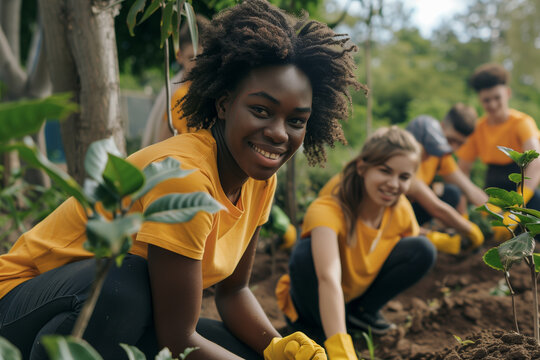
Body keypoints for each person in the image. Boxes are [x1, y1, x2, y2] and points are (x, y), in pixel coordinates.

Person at [0, 1, 363, 359]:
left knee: (250, 351)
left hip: (110, 316)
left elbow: (233, 292)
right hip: (20, 306)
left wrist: (274, 345)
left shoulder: (258, 180)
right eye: (261, 111)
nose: (279, 133)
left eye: (296, 121)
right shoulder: (187, 177)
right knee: (125, 284)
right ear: (223, 105)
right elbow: (177, 338)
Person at [276, 127, 436, 359]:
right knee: (304, 253)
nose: (393, 184)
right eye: (385, 171)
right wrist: (341, 349)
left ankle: (361, 315)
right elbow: (328, 278)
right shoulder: (328, 209)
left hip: (351, 297)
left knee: (422, 249)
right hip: (312, 302)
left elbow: (413, 248)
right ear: (363, 167)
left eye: (404, 177)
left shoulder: (399, 209)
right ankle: (314, 330)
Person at [456, 63, 540, 239]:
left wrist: (518, 208)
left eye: (497, 97)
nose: (493, 104)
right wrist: (463, 214)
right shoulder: (477, 129)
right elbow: (461, 172)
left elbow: (536, 163)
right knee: (487, 233)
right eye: (487, 100)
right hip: (493, 194)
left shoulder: (522, 122)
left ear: (507, 93)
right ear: (480, 100)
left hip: (524, 190)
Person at [405, 110, 486, 255]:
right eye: (451, 140)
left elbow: (467, 188)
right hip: (402, 209)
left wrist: (497, 214)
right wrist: (467, 228)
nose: (454, 148)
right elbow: (436, 207)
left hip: (412, 206)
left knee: (452, 192)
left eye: (460, 144)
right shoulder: (406, 164)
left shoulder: (440, 154)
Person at [141, 15, 209, 147]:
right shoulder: (178, 95)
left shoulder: (210, 92)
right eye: (191, 57)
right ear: (179, 55)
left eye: (202, 57)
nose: (197, 64)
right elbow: (163, 147)